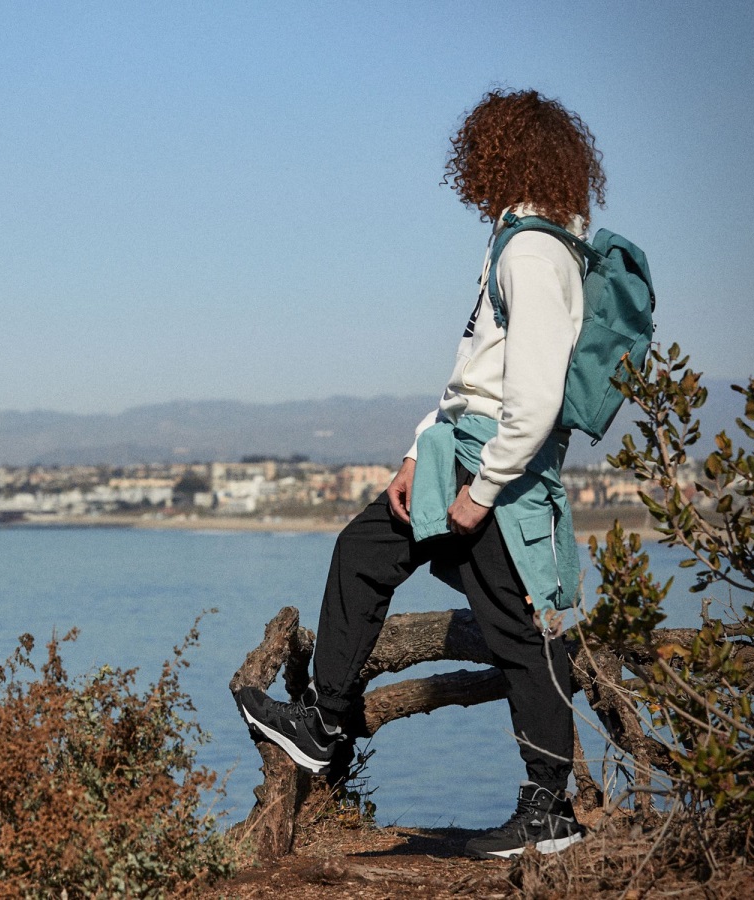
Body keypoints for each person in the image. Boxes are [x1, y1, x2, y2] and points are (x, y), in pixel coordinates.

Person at [236, 88, 607, 859]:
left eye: (478, 154)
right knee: (367, 551)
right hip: (455, 450)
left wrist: (479, 492)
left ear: (499, 154)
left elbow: (533, 400)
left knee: (514, 630)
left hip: (492, 467)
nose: (471, 170)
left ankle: (547, 813)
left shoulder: (536, 253)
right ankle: (325, 724)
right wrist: (419, 447)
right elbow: (475, 367)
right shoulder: (517, 240)